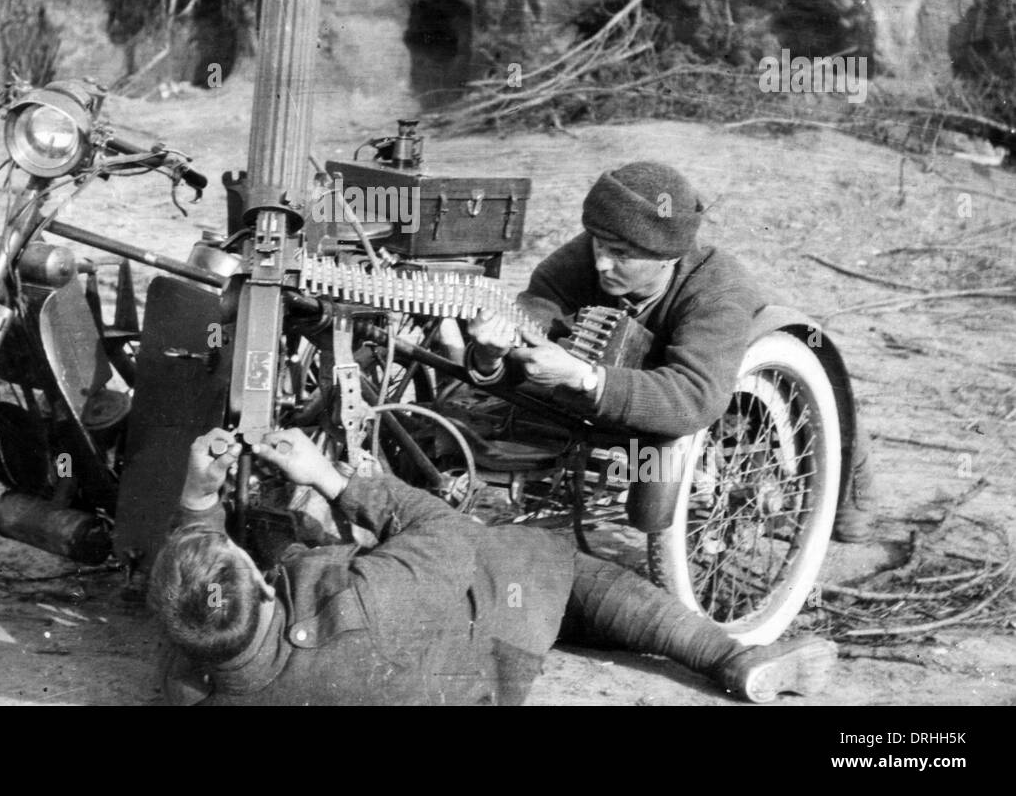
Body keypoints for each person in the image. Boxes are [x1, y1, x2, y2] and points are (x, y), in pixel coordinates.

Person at [148, 428, 837, 706]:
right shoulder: (364, 600)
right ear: (266, 590)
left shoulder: (191, 684)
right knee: (566, 570)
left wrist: (199, 497)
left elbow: (201, 598)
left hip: (411, 681)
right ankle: (730, 659)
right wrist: (332, 480)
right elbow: (444, 529)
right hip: (483, 645)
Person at [465, 160, 875, 543]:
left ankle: (851, 499)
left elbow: (695, 399)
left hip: (687, 386)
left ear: (669, 257)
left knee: (649, 507)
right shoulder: (579, 260)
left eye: (622, 255)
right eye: (600, 246)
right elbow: (534, 326)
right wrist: (492, 356)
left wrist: (583, 376)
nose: (603, 264)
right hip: (616, 386)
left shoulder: (717, 291)